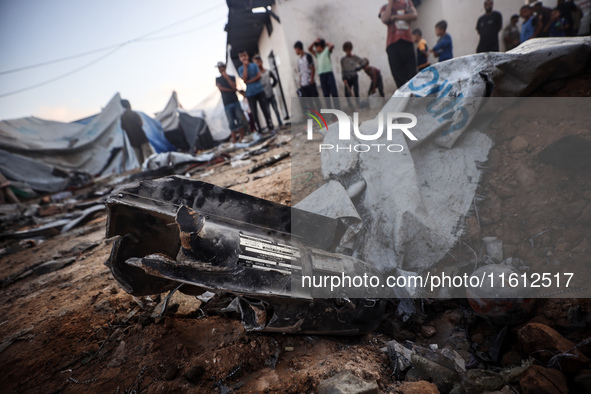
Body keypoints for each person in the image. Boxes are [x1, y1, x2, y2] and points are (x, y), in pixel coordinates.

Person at [379, 0, 418, 89]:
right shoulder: (385, 7)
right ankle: (404, 98)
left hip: (407, 41)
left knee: (412, 74)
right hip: (392, 44)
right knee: (398, 76)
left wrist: (396, 17)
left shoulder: (407, 3)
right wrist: (390, 3)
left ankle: (414, 97)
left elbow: (414, 15)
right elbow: (385, 19)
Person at [237, 49, 274, 133]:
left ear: (247, 56)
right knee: (254, 112)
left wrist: (248, 81)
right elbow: (243, 79)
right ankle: (259, 130)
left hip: (259, 90)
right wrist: (245, 67)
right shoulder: (241, 69)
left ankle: (270, 126)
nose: (243, 57)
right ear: (240, 58)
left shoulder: (254, 65)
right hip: (250, 93)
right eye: (241, 56)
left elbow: (258, 76)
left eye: (244, 55)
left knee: (265, 109)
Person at [215, 61, 244, 143]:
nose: (220, 69)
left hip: (235, 101)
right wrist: (232, 90)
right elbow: (221, 89)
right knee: (231, 122)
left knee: (240, 119)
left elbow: (234, 86)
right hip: (227, 103)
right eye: (219, 68)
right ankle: (234, 141)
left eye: (221, 67)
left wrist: (227, 77)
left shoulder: (231, 77)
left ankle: (242, 138)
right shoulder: (218, 79)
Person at [120, 99, 154, 166]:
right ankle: (156, 168)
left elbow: (122, 127)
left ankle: (145, 171)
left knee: (140, 161)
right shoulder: (134, 114)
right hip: (142, 138)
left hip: (133, 140)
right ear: (129, 105)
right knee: (151, 157)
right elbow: (141, 123)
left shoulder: (122, 117)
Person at [308, 38, 340, 109]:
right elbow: (309, 49)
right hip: (322, 76)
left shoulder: (326, 51)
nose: (316, 49)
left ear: (321, 46)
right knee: (326, 94)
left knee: (334, 93)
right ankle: (331, 113)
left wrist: (325, 43)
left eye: (317, 47)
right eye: (315, 47)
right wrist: (314, 41)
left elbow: (331, 45)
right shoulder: (317, 55)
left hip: (329, 74)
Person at [253, 56, 283, 127]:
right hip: (264, 97)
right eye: (255, 63)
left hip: (271, 94)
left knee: (276, 110)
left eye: (258, 62)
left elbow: (275, 80)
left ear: (261, 62)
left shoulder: (268, 72)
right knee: (268, 112)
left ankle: (280, 122)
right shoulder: (257, 75)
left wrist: (271, 86)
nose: (257, 64)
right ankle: (271, 125)